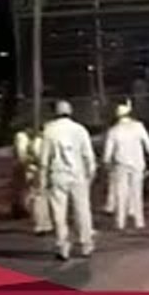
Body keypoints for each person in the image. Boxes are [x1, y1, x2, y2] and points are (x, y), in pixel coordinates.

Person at [39, 100, 96, 261]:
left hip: (58, 175)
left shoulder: (49, 130)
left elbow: (44, 160)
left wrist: (42, 181)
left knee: (59, 213)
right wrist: (90, 175)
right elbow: (88, 156)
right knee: (82, 210)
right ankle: (86, 244)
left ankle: (62, 246)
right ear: (70, 111)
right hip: (78, 174)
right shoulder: (80, 129)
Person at [103, 102, 149, 231]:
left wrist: (107, 165)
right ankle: (139, 221)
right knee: (137, 193)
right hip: (138, 164)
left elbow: (107, 155)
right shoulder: (138, 127)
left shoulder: (113, 130)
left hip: (121, 165)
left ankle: (120, 222)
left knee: (121, 194)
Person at [11, 126, 52, 234]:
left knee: (36, 196)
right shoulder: (23, 138)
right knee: (36, 195)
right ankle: (41, 223)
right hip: (32, 169)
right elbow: (22, 156)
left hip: (34, 169)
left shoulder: (39, 139)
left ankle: (42, 222)